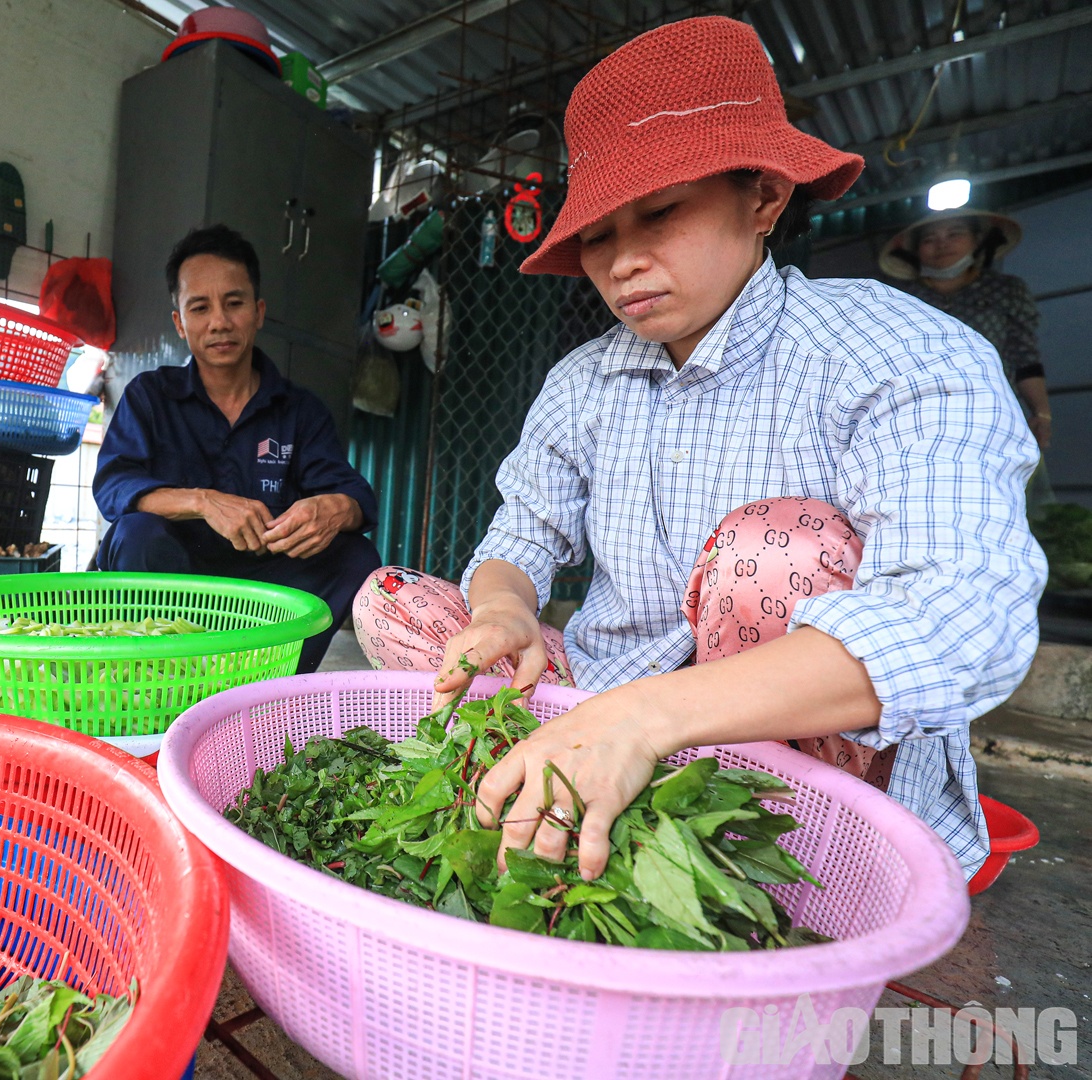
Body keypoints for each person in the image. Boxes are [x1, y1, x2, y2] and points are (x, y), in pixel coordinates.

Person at [353, 16, 1045, 884]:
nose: (623, 262)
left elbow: (960, 618)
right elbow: (520, 538)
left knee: (773, 555)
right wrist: (504, 611)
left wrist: (646, 721)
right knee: (394, 601)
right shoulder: (585, 381)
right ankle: (576, 774)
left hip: (796, 767)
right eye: (598, 235)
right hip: (608, 699)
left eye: (662, 213)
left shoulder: (889, 349)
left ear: (762, 199)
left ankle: (779, 859)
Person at [94, 224, 381, 672]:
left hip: (260, 593)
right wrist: (204, 502)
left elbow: (354, 495)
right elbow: (114, 487)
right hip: (173, 580)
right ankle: (155, 681)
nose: (219, 322)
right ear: (180, 322)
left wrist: (333, 508)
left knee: (355, 555)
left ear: (259, 311)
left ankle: (267, 683)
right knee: (137, 532)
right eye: (200, 307)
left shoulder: (299, 410)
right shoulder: (150, 396)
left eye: (234, 303)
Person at [880, 210, 1052, 502]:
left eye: (954, 233)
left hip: (994, 418)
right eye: (930, 239)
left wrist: (1041, 413)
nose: (941, 244)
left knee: (1011, 502)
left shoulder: (1005, 290)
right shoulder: (895, 299)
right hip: (918, 422)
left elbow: (1024, 356)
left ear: (978, 240)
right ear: (914, 251)